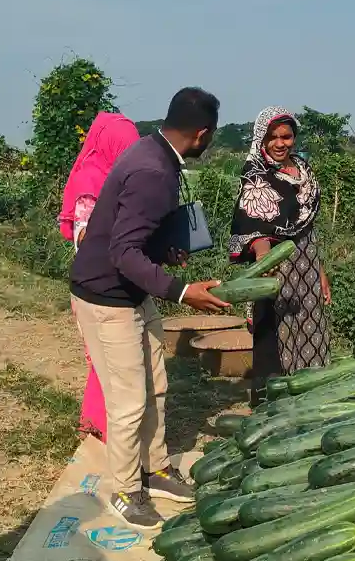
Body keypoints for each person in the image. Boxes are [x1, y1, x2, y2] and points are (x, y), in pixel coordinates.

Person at [70, 87, 230, 528]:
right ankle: (126, 489)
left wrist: (163, 248)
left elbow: (134, 235)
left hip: (132, 292)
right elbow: (123, 253)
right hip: (106, 297)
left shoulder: (152, 150)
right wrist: (182, 291)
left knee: (155, 384)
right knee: (127, 401)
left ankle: (154, 466)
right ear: (202, 133)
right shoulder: (153, 170)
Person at [228, 106, 331, 399]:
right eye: (272, 137)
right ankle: (272, 406)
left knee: (311, 330)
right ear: (261, 138)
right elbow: (253, 224)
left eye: (286, 136)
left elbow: (308, 226)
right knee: (275, 333)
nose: (280, 143)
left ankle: (311, 396)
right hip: (275, 265)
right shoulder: (255, 175)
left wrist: (320, 271)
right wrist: (264, 257)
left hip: (307, 262)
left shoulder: (303, 169)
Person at [57, 112, 141, 443]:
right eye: (124, 148)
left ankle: (95, 422)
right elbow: (84, 239)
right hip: (98, 285)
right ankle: (104, 428)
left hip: (114, 280)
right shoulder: (91, 179)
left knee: (106, 361)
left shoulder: (116, 176)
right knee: (108, 361)